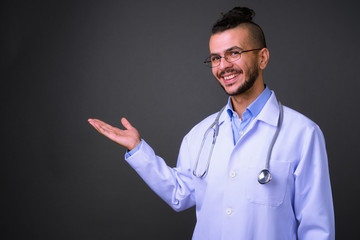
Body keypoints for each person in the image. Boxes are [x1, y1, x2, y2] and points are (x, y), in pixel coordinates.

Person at [88, 7, 335, 240]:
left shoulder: (303, 134)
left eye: (234, 53)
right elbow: (180, 194)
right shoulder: (200, 135)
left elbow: (317, 229)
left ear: (263, 57)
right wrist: (137, 149)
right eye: (215, 58)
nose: (223, 65)